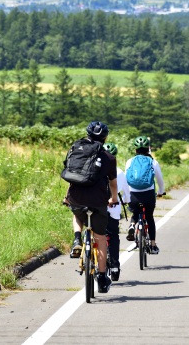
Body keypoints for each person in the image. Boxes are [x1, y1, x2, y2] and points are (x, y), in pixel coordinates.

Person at [64, 121, 119, 293]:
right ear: (105, 137)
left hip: (76, 198)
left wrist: (67, 197)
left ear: (87, 134)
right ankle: (102, 279)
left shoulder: (75, 149)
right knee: (101, 238)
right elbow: (113, 184)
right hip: (98, 202)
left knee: (77, 213)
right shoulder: (109, 158)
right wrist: (114, 199)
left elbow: (72, 174)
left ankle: (76, 239)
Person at [124, 136, 165, 254]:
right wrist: (161, 191)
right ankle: (152, 245)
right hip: (148, 195)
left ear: (135, 150)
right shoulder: (153, 161)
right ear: (148, 149)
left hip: (133, 195)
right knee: (149, 217)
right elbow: (160, 180)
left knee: (135, 211)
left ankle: (132, 225)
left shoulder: (130, 161)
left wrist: (127, 195)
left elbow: (126, 180)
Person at [103, 142, 130, 282]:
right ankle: (114, 267)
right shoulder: (119, 171)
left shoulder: (97, 169)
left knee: (98, 234)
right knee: (113, 236)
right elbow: (127, 192)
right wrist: (126, 200)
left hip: (98, 206)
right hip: (113, 208)